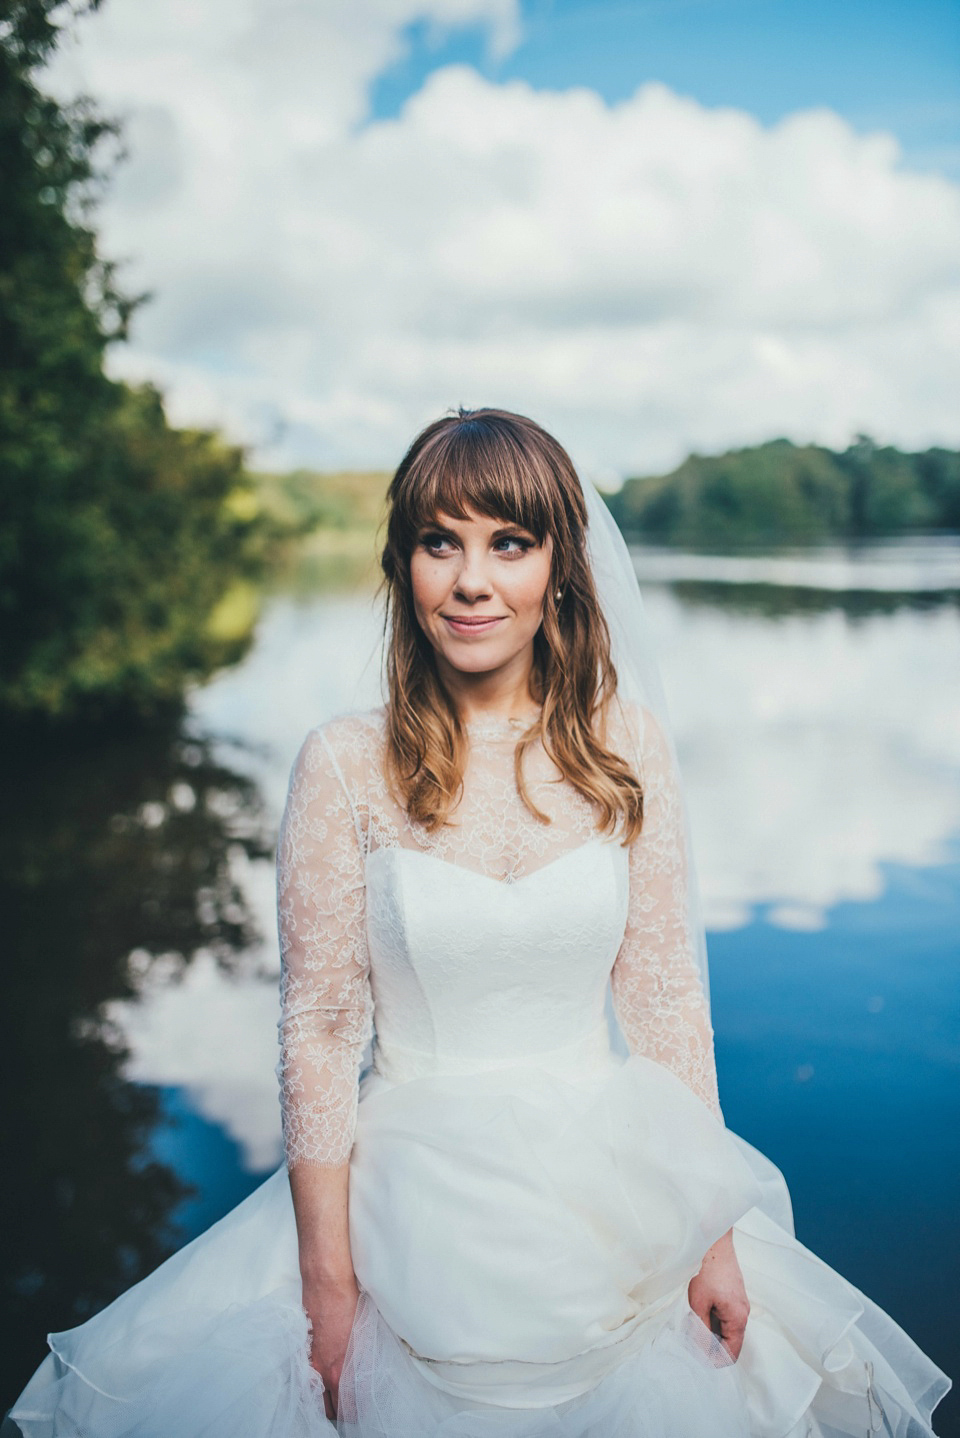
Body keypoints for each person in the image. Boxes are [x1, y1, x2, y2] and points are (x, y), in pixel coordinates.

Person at [7, 408, 950, 1438]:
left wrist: (709, 1235)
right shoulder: (341, 765)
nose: (471, 580)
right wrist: (328, 1286)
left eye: (509, 542)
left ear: (558, 564)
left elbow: (669, 1000)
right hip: (411, 1210)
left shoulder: (627, 750)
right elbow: (319, 1030)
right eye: (438, 541)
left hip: (612, 1203)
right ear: (404, 562)